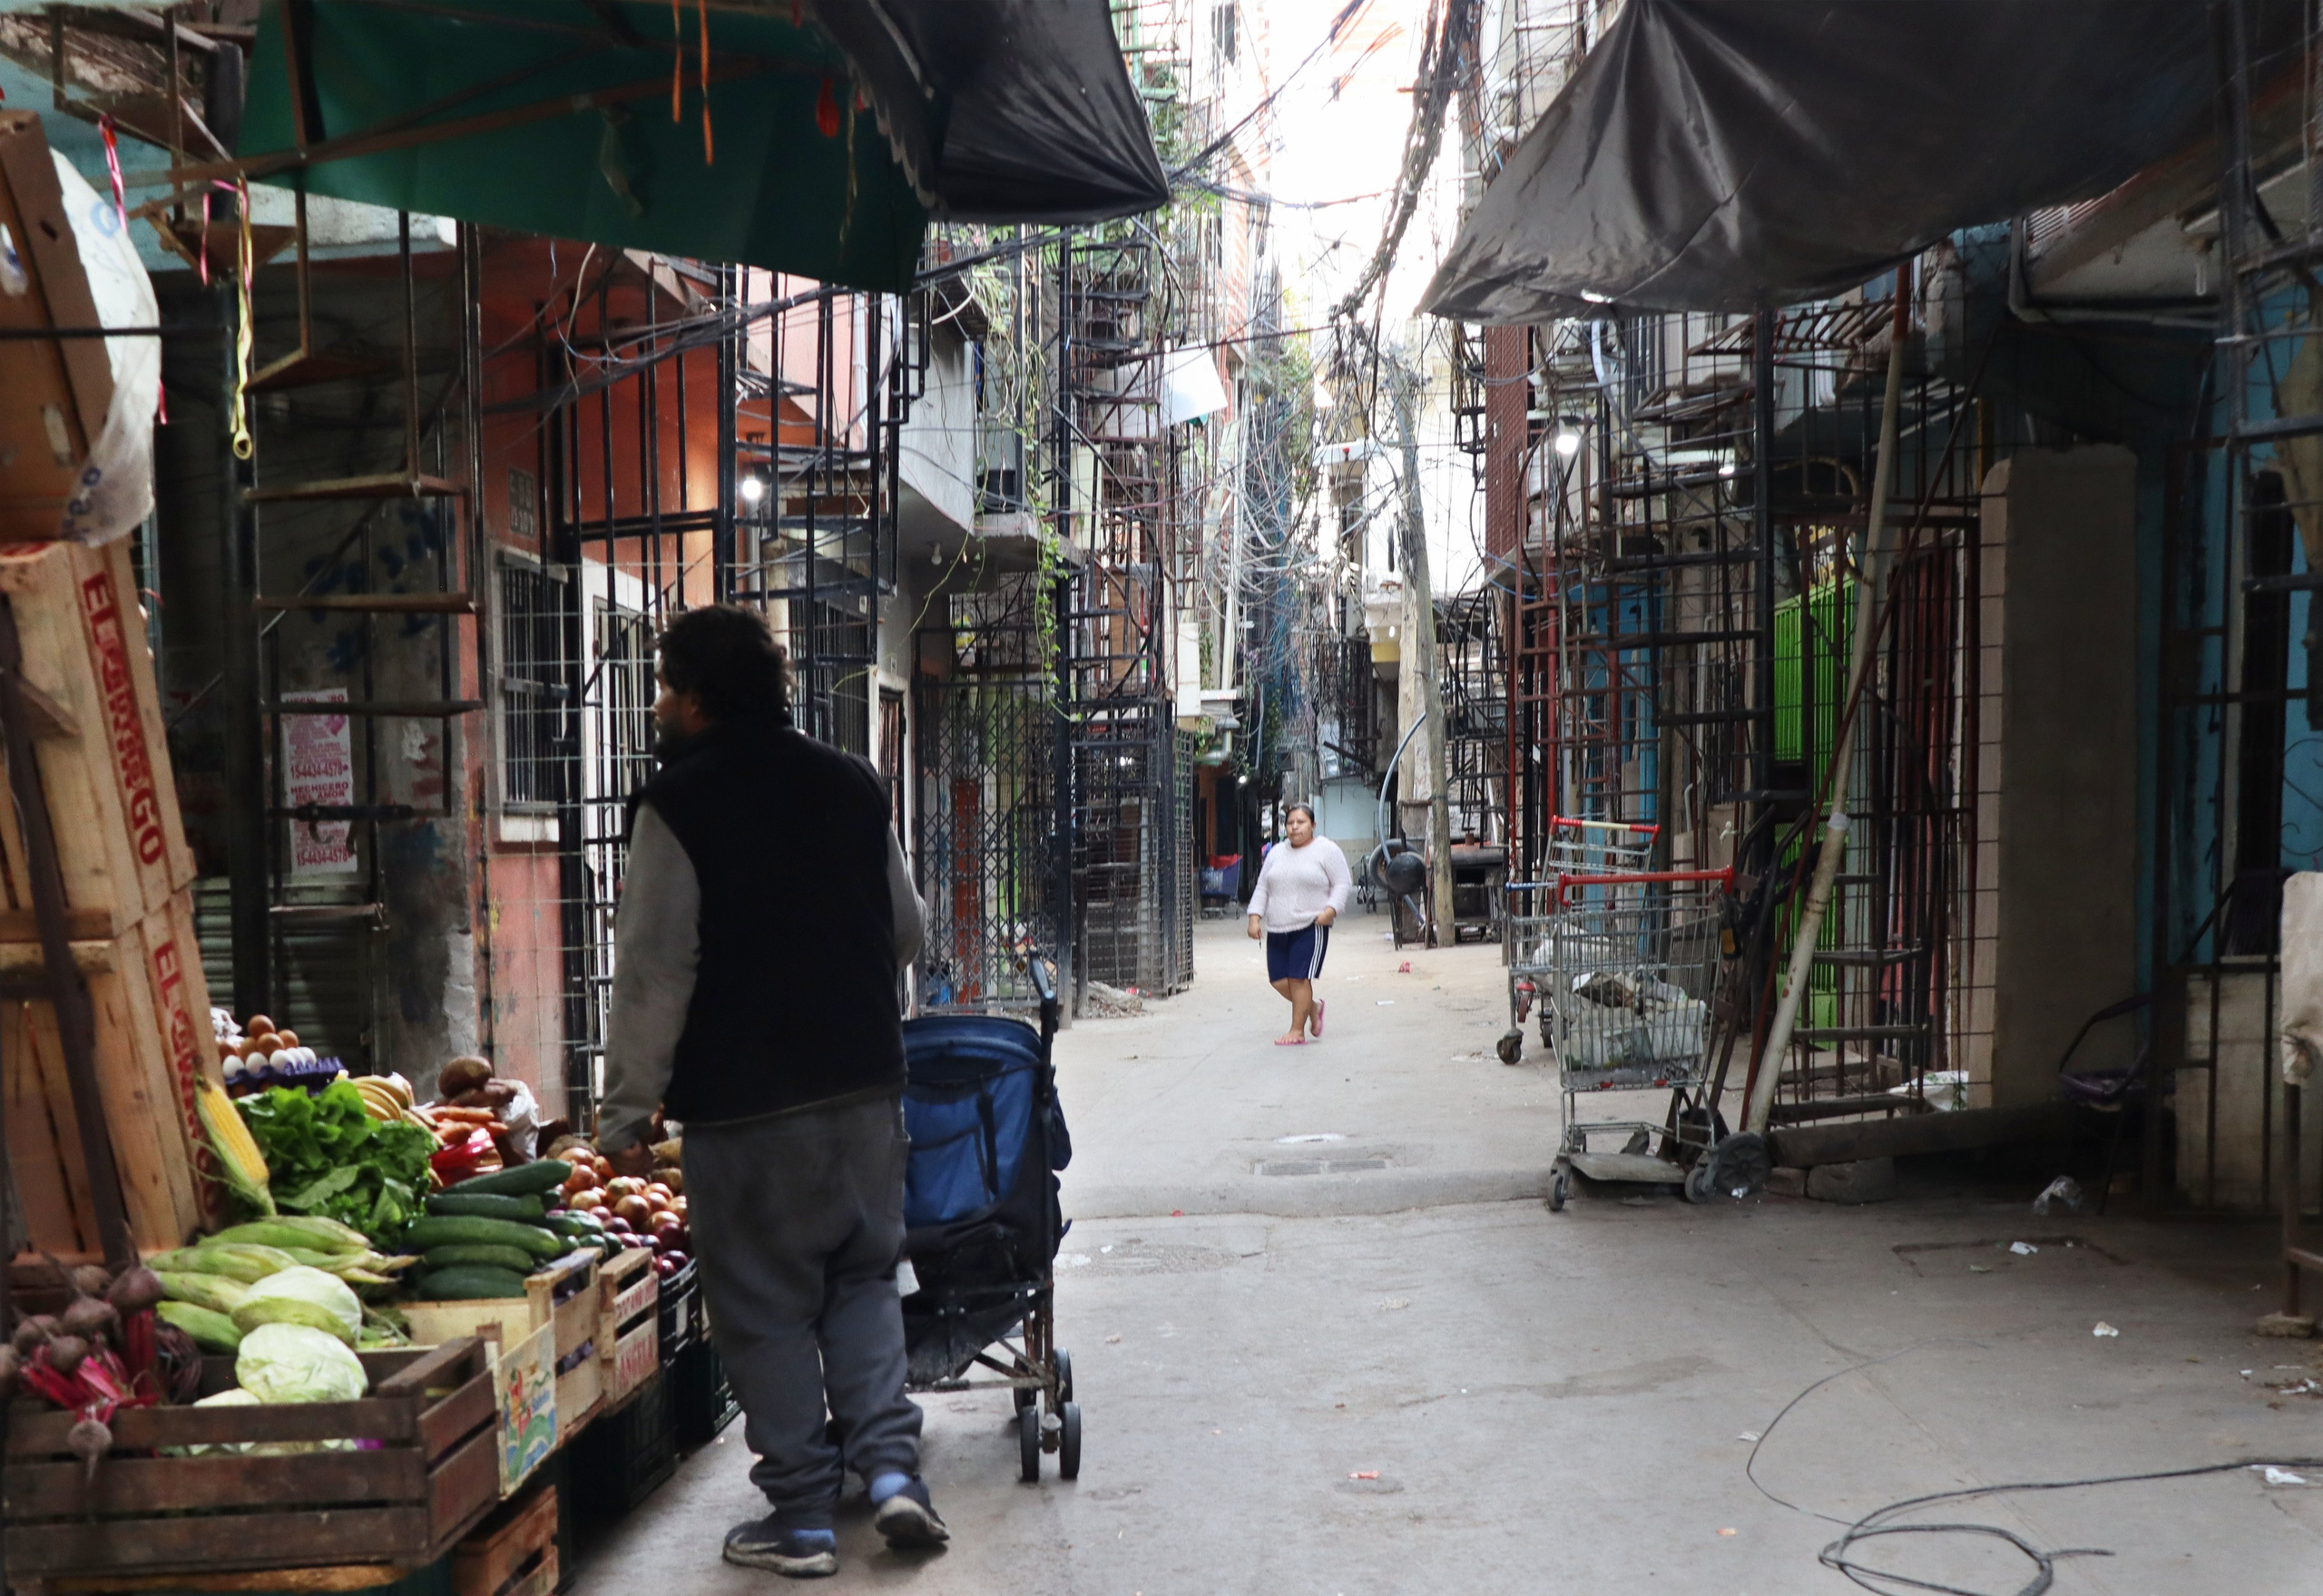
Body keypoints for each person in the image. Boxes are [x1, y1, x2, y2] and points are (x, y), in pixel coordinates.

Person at [595, 604, 941, 1580]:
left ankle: (799, 1519)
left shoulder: (678, 804)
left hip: (746, 1112)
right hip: (867, 1091)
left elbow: (655, 972)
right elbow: (905, 930)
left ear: (697, 696)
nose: (659, 702)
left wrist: (626, 1112)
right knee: (863, 1280)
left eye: (665, 684)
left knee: (764, 1308)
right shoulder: (850, 784)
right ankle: (891, 1477)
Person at [1245, 802, 1353, 1046]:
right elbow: (1263, 887)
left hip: (1310, 923)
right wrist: (1254, 917)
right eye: (1290, 823)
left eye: (1301, 822)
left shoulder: (1327, 850)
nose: (1295, 827)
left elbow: (1342, 883)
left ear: (1313, 825)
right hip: (1278, 926)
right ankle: (1313, 1008)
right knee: (1278, 980)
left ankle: (1297, 1031)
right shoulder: (1276, 853)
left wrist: (1330, 910)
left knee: (1299, 978)